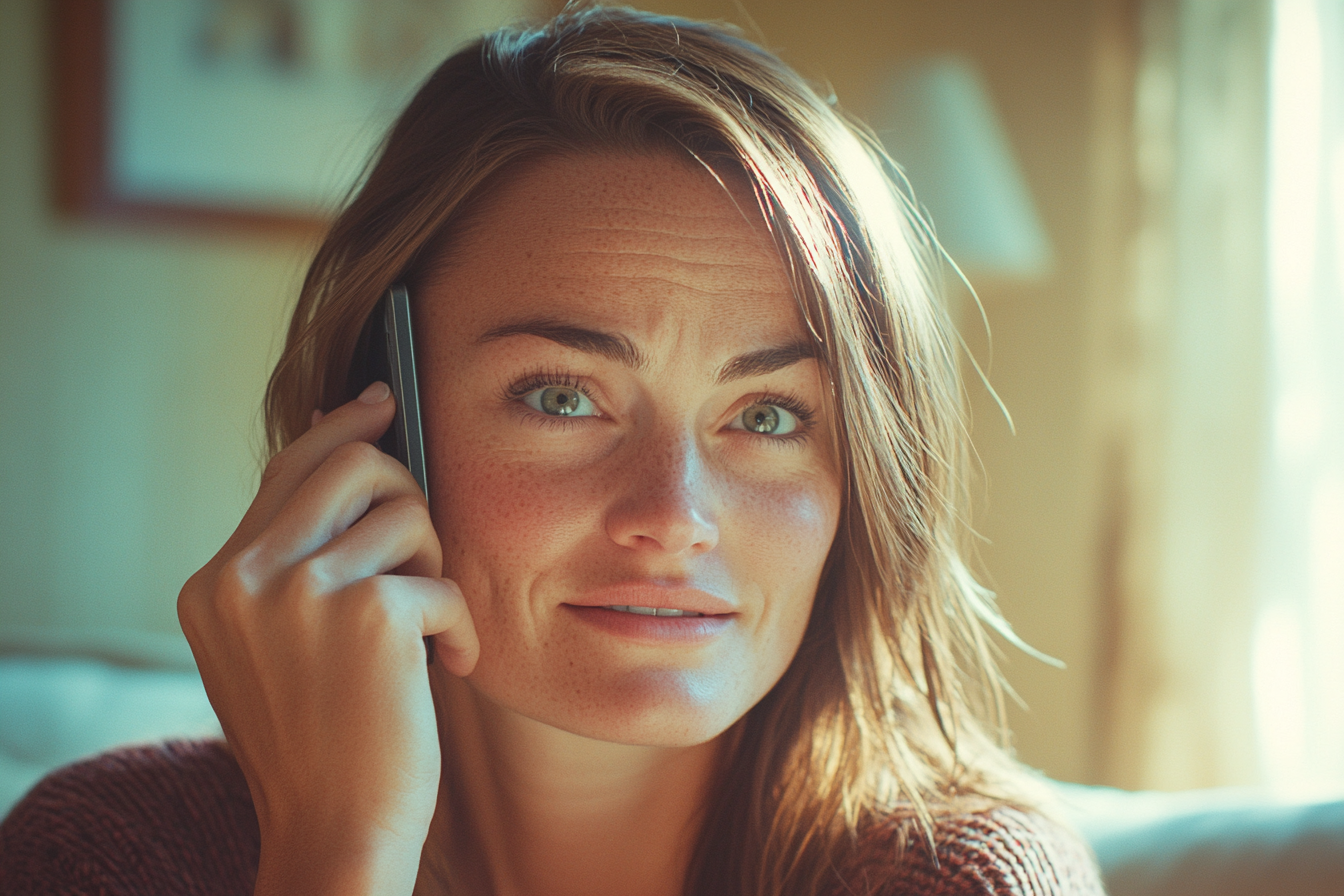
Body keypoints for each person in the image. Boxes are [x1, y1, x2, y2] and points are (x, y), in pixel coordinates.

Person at [0, 6, 1104, 895]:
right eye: (563, 395)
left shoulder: (964, 877)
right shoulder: (112, 853)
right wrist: (339, 854)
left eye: (767, 415)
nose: (674, 513)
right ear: (381, 419)